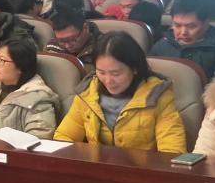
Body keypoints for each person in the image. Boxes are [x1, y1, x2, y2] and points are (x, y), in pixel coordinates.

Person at [54, 32, 186, 152]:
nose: (108, 81)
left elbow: (172, 152)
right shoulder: (88, 92)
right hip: (97, 165)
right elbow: (64, 137)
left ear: (135, 68)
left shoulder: (157, 95)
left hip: (141, 168)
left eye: (115, 73)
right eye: (101, 72)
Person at [149, 0, 215, 81]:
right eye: (177, 25)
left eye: (191, 26)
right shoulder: (162, 44)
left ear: (205, 24)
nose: (183, 32)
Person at [46, 7, 102, 74]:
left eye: (72, 39)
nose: (67, 46)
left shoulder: (103, 48)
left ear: (85, 28)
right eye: (61, 41)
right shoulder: (53, 45)